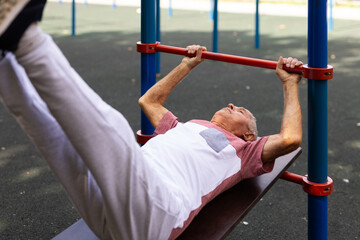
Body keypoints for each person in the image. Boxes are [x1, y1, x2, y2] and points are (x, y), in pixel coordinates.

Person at [0, 1, 302, 239]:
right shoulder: (182, 128)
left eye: (242, 112)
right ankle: (4, 63)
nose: (233, 104)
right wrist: (186, 65)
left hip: (163, 208)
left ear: (250, 135)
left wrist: (289, 83)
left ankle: (27, 36)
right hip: (120, 213)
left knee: (114, 131)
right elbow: (149, 101)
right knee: (58, 145)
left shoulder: (244, 152)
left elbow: (290, 139)